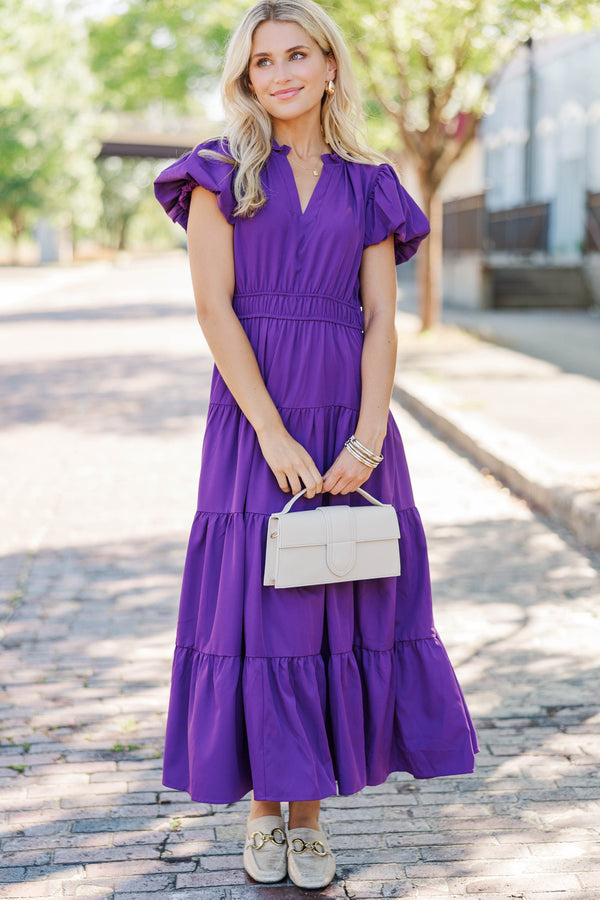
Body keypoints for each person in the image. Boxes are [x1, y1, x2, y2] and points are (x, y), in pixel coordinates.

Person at [154, 0, 478, 889]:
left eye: (299, 54)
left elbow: (382, 321)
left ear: (330, 65)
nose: (283, 72)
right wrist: (269, 432)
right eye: (264, 61)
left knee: (335, 607)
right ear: (246, 76)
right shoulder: (218, 173)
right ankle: (266, 810)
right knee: (266, 615)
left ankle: (311, 814)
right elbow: (214, 310)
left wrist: (368, 438)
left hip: (349, 414)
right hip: (255, 419)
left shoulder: (369, 182)